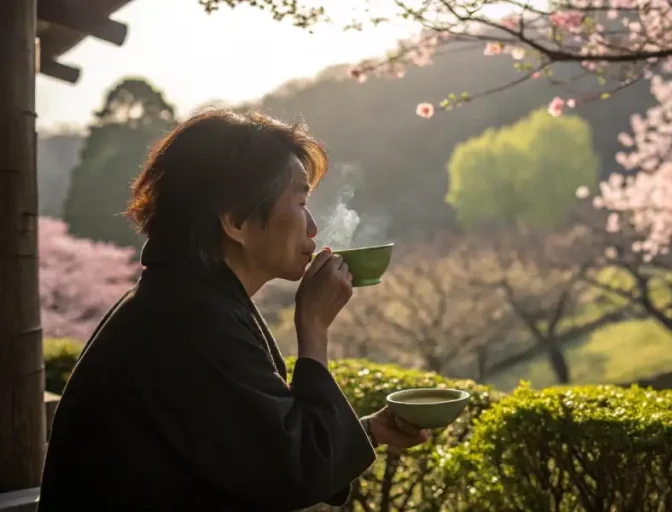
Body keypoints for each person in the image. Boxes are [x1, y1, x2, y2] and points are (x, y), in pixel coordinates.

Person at [38, 109, 429, 511]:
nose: (312, 227)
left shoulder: (185, 299)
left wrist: (366, 432)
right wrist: (313, 326)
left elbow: (254, 448)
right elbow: (296, 473)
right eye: (299, 201)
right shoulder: (188, 321)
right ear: (235, 221)